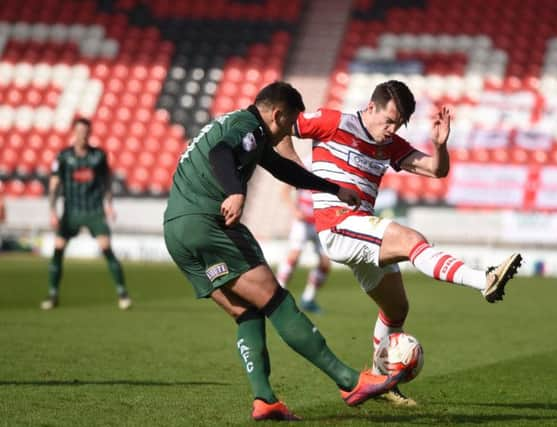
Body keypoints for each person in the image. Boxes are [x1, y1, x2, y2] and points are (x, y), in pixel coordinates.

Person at [162, 81, 404, 421]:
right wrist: (235, 192)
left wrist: (334, 188)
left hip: (176, 232)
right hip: (208, 223)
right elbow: (220, 154)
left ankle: (264, 399)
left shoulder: (238, 126)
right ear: (277, 114)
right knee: (277, 300)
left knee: (246, 311)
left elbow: (281, 168)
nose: (289, 132)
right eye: (289, 124)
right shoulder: (248, 128)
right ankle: (349, 380)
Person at [282, 80, 523, 406]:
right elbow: (282, 127)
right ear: (370, 108)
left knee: (396, 309)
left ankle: (382, 382)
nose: (391, 129)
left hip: (359, 228)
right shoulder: (331, 121)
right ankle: (485, 279)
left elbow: (437, 171)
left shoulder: (390, 145)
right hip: (338, 225)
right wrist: (298, 171)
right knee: (411, 240)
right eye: (389, 120)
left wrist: (440, 145)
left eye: (398, 124)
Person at [41, 118, 131, 310]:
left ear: (90, 133)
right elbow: (54, 184)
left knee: (106, 247)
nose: (83, 135)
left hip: (94, 210)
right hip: (71, 211)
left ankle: (122, 293)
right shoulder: (63, 156)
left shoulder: (98, 156)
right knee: (58, 248)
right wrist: (52, 211)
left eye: (86, 131)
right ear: (74, 132)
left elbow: (106, 180)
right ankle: (52, 294)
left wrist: (109, 204)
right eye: (79, 131)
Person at [276, 158, 331, 313]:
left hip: (321, 222)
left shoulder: (330, 164)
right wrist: (294, 210)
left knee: (325, 263)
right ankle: (276, 296)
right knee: (293, 257)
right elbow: (284, 190)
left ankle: (308, 298)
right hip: (303, 222)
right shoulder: (306, 164)